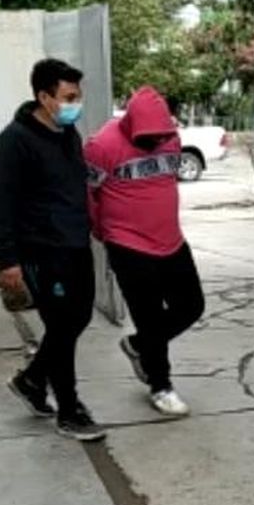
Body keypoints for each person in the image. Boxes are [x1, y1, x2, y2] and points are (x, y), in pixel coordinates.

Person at [0, 58, 105, 441]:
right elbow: (0, 204)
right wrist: (7, 260)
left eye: (78, 95)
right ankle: (69, 409)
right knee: (61, 325)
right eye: (68, 96)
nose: (76, 103)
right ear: (44, 96)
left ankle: (33, 379)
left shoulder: (68, 135)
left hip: (75, 243)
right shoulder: (14, 142)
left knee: (78, 318)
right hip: (41, 250)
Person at [84, 86, 204, 416]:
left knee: (192, 305)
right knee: (149, 316)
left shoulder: (171, 139)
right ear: (130, 125)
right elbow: (89, 195)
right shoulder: (101, 146)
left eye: (159, 138)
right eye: (146, 139)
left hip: (171, 239)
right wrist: (101, 231)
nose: (154, 144)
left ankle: (138, 345)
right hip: (127, 244)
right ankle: (160, 386)